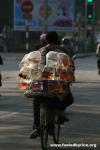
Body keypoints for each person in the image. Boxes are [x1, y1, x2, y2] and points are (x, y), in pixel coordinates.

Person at [30, 31, 74, 139]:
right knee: (68, 99)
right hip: (58, 83)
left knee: (36, 100)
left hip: (44, 83)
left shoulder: (41, 50)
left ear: (46, 40)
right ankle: (59, 112)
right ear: (57, 40)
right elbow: (70, 66)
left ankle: (36, 125)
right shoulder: (63, 50)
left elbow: (34, 66)